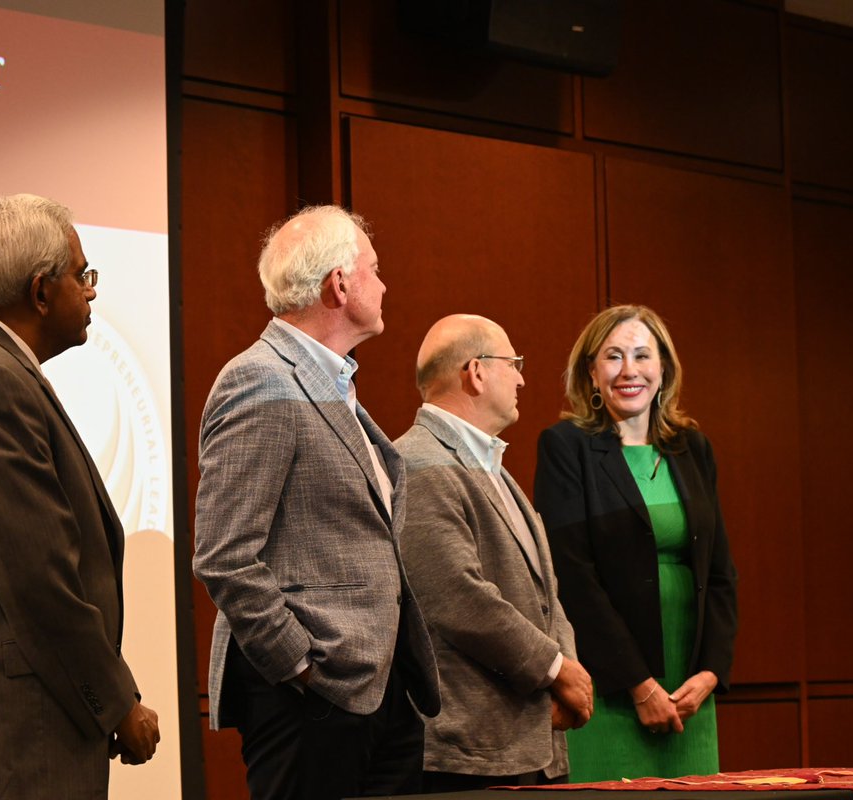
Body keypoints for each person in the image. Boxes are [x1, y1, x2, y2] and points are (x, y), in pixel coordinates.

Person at [0, 194, 159, 800]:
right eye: (81, 274)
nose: (90, 291)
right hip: (18, 742)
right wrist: (118, 703)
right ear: (40, 292)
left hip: (8, 737)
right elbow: (40, 580)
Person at [192, 205, 440, 800]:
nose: (384, 285)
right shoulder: (261, 380)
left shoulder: (335, 382)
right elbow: (224, 555)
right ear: (340, 283)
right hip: (314, 698)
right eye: (374, 270)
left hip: (381, 693)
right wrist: (301, 666)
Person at [534, 304, 738, 781]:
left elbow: (721, 570)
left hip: (690, 689)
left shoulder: (693, 448)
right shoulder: (566, 447)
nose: (630, 370)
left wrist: (710, 674)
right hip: (611, 686)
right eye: (613, 356)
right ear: (591, 371)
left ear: (663, 368)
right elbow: (572, 577)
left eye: (643, 356)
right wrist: (638, 686)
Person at [394, 314, 594, 793]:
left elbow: (545, 591)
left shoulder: (494, 468)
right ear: (476, 372)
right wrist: (555, 669)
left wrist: (565, 674)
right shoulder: (417, 461)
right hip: (472, 754)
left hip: (530, 738)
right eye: (514, 363)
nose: (522, 377)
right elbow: (457, 598)